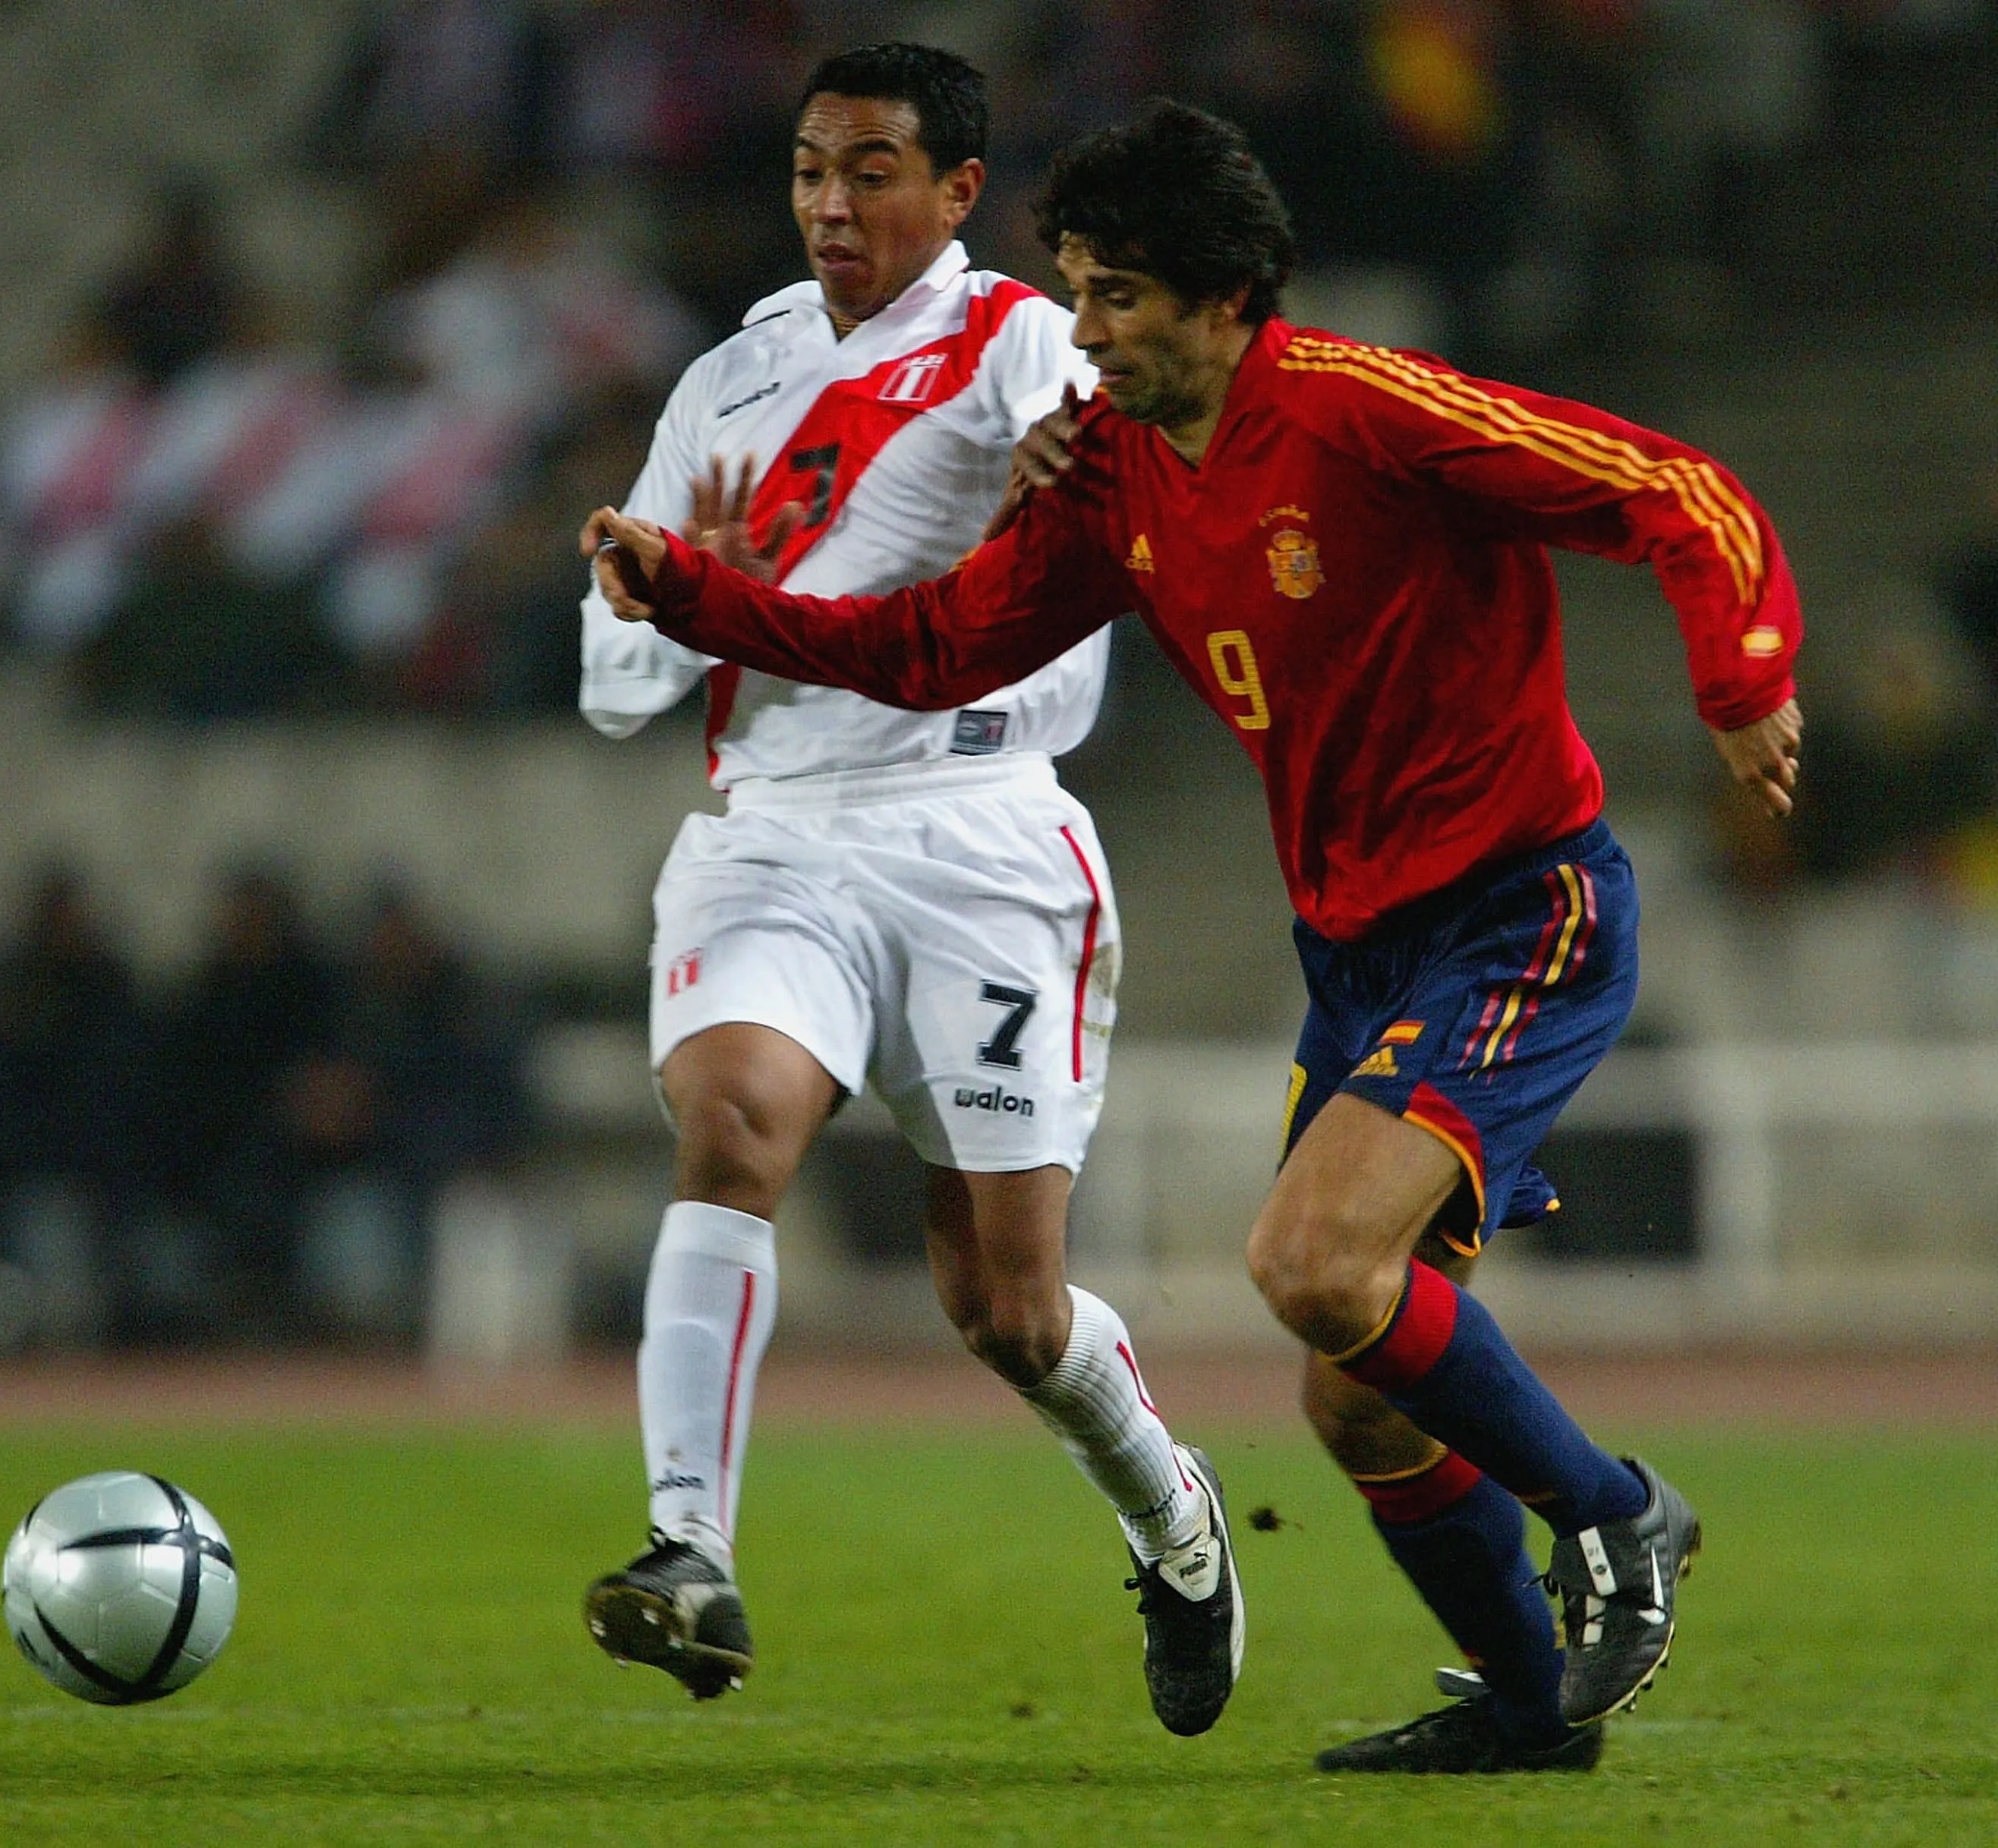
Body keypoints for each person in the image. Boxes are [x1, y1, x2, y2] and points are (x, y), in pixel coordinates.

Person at [585, 99, 1804, 1772]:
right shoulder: (1118, 471)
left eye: (1121, 300)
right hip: (1362, 945)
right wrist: (703, 600)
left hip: (1524, 905)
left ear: (1230, 298)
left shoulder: (1367, 411)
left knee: (1311, 1264)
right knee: (1352, 1384)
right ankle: (1531, 1713)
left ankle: (1614, 1517)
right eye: (1076, 291)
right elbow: (942, 644)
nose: (1085, 334)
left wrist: (1741, 682)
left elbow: (1671, 487)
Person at [576, 46, 1240, 1736]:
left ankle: (1172, 1510)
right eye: (810, 168)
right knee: (731, 1121)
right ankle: (686, 1549)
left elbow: (1112, 477)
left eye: (871, 170)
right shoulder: (728, 380)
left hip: (982, 839)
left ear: (956, 192)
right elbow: (612, 679)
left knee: (1008, 1309)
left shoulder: (1029, 337)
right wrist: (668, 592)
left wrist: (1054, 483)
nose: (830, 202)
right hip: (776, 826)